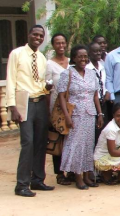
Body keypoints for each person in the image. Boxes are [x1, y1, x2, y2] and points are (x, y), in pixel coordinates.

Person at [8, 25, 55, 197]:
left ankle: (37, 179)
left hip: (40, 101)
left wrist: (47, 86)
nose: (38, 38)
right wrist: (12, 106)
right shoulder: (17, 54)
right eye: (35, 34)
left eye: (41, 36)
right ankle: (21, 184)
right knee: (28, 143)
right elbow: (11, 80)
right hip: (24, 102)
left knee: (41, 142)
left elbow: (39, 81)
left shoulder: (41, 58)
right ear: (28, 35)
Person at [58, 45, 104, 190]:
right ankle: (77, 177)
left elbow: (95, 95)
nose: (83, 59)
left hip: (90, 114)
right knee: (75, 145)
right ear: (74, 58)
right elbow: (61, 96)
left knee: (88, 145)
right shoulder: (67, 74)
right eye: (80, 56)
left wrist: (100, 113)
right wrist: (67, 116)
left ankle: (86, 175)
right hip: (75, 115)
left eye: (85, 56)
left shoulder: (91, 73)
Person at [45, 33, 70, 186]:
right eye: (57, 43)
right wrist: (49, 111)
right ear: (53, 45)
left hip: (72, 106)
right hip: (56, 107)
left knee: (71, 139)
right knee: (58, 140)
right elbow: (47, 88)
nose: (61, 46)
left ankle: (72, 171)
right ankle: (60, 173)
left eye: (63, 43)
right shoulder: (49, 64)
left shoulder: (71, 62)